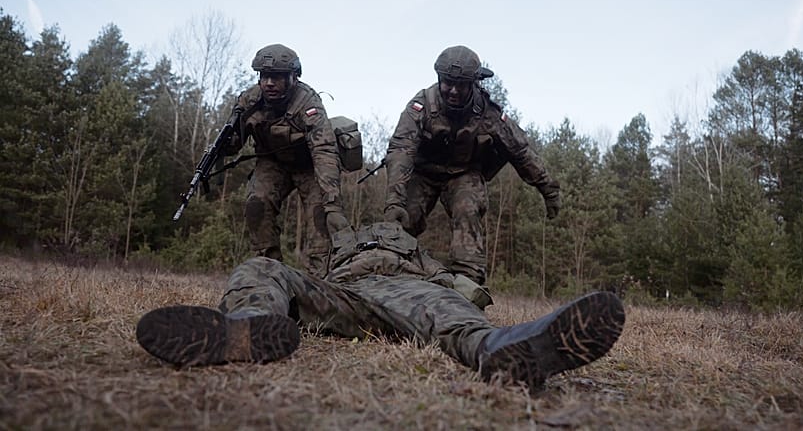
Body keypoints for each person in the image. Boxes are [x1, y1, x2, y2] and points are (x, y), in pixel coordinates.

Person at [136, 223, 624, 393]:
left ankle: (504, 349)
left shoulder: (414, 253)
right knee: (262, 266)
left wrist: (451, 284)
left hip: (405, 290)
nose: (379, 231)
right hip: (346, 296)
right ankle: (244, 328)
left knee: (441, 307)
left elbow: (456, 286)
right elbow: (312, 274)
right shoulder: (337, 248)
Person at [384, 45, 560, 285]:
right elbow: (400, 152)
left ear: (474, 84)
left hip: (463, 174)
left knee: (467, 208)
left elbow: (521, 152)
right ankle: (390, 275)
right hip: (423, 173)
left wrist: (548, 190)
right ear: (439, 79)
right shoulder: (421, 105)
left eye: (462, 84)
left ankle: (468, 284)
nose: (454, 91)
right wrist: (394, 201)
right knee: (403, 219)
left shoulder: (488, 114)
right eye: (448, 83)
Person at [227, 43, 349, 276]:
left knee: (321, 215)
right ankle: (268, 273)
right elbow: (234, 144)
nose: (269, 83)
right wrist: (224, 144)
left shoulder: (308, 103)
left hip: (310, 165)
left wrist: (332, 200)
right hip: (273, 163)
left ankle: (319, 280)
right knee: (257, 203)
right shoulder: (249, 101)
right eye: (264, 76)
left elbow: (324, 150)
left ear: (293, 77)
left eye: (277, 77)